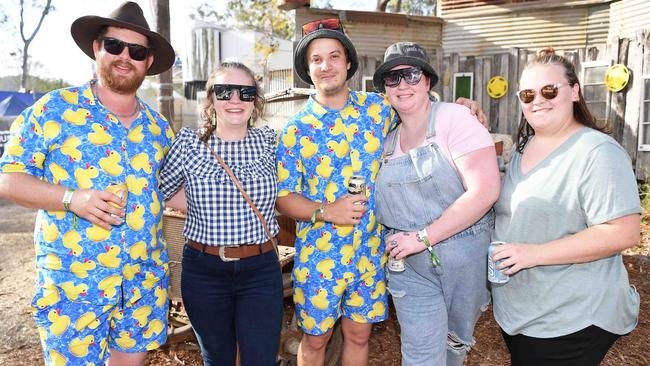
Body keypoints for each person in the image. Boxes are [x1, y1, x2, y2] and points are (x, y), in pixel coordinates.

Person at [275, 18, 486, 366]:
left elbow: (420, 107)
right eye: (316, 59)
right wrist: (326, 211)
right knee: (315, 339)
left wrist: (462, 107)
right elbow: (283, 197)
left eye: (334, 56)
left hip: (372, 251)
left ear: (348, 63)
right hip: (318, 256)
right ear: (306, 68)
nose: (326, 66)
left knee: (358, 336)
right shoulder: (295, 130)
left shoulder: (378, 109)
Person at [0, 2, 175, 365]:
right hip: (73, 289)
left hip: (142, 284)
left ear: (148, 61)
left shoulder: (159, 128)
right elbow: (9, 179)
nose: (125, 57)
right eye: (115, 46)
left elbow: (173, 192)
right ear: (97, 48)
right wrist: (70, 198)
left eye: (137, 51)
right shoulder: (53, 110)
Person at [490, 48, 641, 366]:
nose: (537, 100)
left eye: (549, 90)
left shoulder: (596, 151)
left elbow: (623, 232)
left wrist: (532, 254)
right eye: (528, 94)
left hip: (571, 316)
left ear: (574, 91)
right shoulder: (524, 146)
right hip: (524, 311)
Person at [371, 42, 500, 366]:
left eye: (412, 75)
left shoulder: (454, 119)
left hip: (463, 261)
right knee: (421, 355)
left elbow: (484, 192)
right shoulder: (385, 138)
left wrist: (424, 237)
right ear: (385, 87)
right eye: (393, 78)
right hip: (409, 266)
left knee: (455, 343)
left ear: (427, 80)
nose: (403, 85)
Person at [159, 61, 282, 366]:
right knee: (217, 360)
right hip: (204, 271)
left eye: (245, 92)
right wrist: (205, 207)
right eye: (225, 91)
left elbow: (287, 192)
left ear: (256, 100)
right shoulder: (189, 143)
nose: (235, 100)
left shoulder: (271, 142)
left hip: (261, 268)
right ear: (211, 99)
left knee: (261, 360)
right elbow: (162, 191)